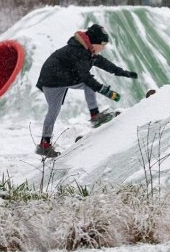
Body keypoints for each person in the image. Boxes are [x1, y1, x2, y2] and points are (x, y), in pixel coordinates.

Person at [35, 23, 138, 157]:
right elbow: (86, 77)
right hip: (52, 80)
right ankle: (44, 145)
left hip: (64, 78)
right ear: (95, 42)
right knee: (54, 110)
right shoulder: (79, 52)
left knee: (58, 107)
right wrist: (105, 91)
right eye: (103, 45)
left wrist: (123, 73)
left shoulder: (87, 50)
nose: (103, 48)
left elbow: (103, 63)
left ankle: (94, 115)